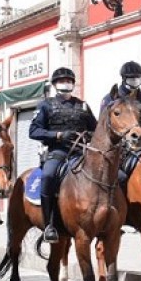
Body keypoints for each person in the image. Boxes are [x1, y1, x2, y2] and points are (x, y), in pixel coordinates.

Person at [29, 67, 97, 243]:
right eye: (61, 81)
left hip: (81, 151)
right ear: (54, 84)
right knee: (48, 176)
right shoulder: (45, 105)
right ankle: (49, 225)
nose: (65, 83)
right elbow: (34, 131)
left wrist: (89, 135)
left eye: (68, 80)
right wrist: (57, 135)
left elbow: (96, 129)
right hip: (58, 151)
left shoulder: (82, 105)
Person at [100, 61, 141, 182]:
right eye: (132, 79)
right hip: (119, 149)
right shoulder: (110, 98)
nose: (135, 81)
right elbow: (103, 127)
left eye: (137, 78)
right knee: (121, 178)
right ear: (124, 79)